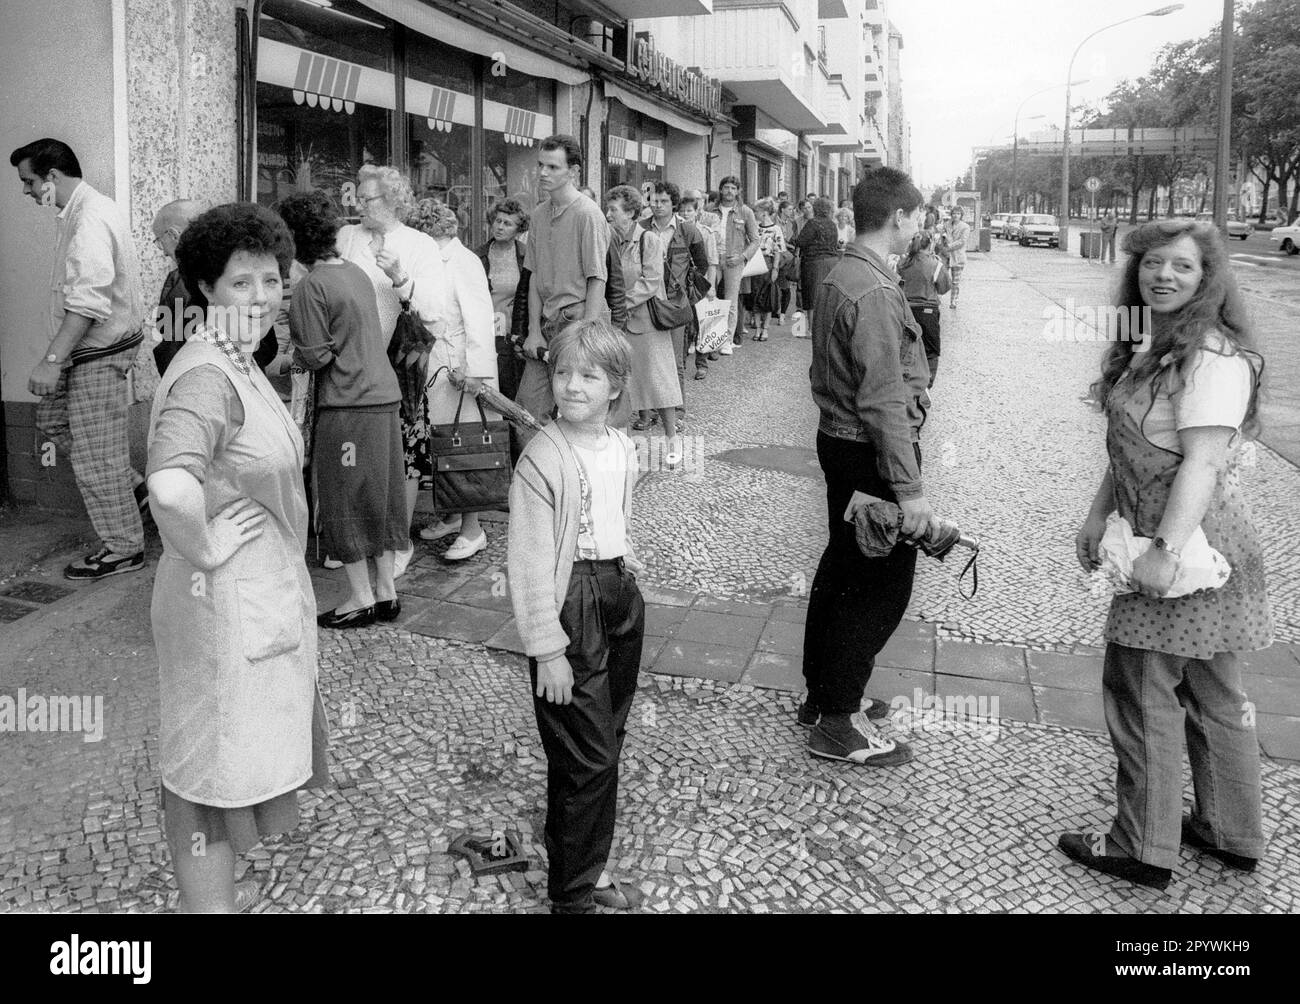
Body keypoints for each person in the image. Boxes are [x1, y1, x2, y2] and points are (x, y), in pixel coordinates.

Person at [1060, 220, 1271, 891]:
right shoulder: (1156, 345)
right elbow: (1129, 449)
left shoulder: (1212, 355)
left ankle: (1142, 846)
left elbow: (1202, 464)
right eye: (1154, 264)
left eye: (1181, 266)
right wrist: (1099, 513)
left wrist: (1163, 553)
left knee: (1142, 691)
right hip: (1183, 542)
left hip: (1187, 547)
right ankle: (1230, 831)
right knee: (1213, 692)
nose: (1164, 277)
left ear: (1208, 277)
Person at [149, 202, 328, 912]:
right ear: (202, 289)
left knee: (222, 770)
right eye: (239, 284)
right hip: (219, 606)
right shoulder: (206, 376)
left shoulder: (237, 358)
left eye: (270, 281)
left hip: (242, 601)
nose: (259, 298)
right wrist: (206, 543)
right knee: (205, 777)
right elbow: (168, 486)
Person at [508, 318, 646, 913]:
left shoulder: (621, 446)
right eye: (562, 372)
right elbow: (532, 562)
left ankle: (588, 864)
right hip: (572, 602)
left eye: (589, 375)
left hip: (617, 593)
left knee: (603, 742)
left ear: (616, 385)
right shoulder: (542, 459)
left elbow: (619, 511)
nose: (571, 386)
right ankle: (571, 896)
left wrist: (630, 571)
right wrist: (547, 649)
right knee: (585, 754)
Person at [801, 167, 933, 766]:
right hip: (869, 452)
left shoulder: (842, 272)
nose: (921, 226)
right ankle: (837, 722)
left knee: (841, 570)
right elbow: (883, 400)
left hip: (841, 442)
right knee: (878, 586)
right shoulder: (875, 290)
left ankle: (824, 694)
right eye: (918, 217)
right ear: (899, 218)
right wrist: (909, 491)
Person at [11, 138, 147, 579]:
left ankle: (124, 548)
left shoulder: (89, 218)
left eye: (29, 181)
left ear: (52, 176)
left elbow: (88, 304)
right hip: (91, 351)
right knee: (53, 423)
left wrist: (52, 360)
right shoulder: (79, 212)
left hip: (98, 353)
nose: (27, 191)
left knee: (95, 456)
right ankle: (133, 492)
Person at [278, 190, 408, 628]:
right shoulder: (354, 271)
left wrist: (293, 354)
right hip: (383, 398)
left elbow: (315, 357)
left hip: (347, 405)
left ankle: (359, 597)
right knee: (382, 497)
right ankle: (387, 593)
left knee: (342, 496)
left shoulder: (310, 287)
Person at [336, 165, 443, 578]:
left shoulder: (419, 245)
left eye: (369, 198)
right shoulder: (348, 238)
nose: (359, 204)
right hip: (352, 363)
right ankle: (360, 536)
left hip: (399, 366)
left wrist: (399, 276)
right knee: (356, 452)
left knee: (404, 454)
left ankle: (398, 540)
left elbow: (434, 313)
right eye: (358, 198)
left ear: (395, 200)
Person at [408, 199, 500, 561]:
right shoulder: (432, 261)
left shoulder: (463, 262)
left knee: (464, 449)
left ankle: (472, 529)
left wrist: (478, 372)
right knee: (440, 445)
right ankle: (450, 515)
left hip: (458, 367)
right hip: (435, 365)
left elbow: (479, 318)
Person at [516, 135, 610, 434]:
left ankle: (588, 475)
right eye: (541, 165)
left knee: (582, 410)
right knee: (527, 412)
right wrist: (533, 330)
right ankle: (542, 477)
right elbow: (532, 276)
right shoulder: (539, 214)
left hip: (579, 319)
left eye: (553, 167)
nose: (543, 173)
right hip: (546, 322)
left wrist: (587, 336)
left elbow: (598, 279)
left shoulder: (588, 214)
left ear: (573, 171)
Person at [606, 186, 681, 464]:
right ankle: (624, 442)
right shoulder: (611, 240)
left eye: (614, 209)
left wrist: (620, 304)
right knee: (625, 384)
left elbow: (651, 281)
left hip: (647, 323)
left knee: (659, 382)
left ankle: (672, 439)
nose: (609, 214)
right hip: (621, 324)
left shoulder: (648, 239)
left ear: (631, 213)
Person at [643, 181, 709, 426]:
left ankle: (677, 411)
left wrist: (688, 295)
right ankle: (648, 410)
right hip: (647, 303)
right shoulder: (641, 228)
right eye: (654, 201)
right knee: (648, 358)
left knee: (675, 361)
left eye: (663, 202)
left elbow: (702, 265)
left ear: (673, 204)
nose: (657, 206)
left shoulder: (688, 230)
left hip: (675, 304)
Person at [475, 199, 530, 403]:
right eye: (498, 221)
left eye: (508, 223)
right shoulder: (478, 255)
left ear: (519, 229)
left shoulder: (526, 255)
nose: (500, 227)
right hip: (486, 332)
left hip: (513, 333)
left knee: (512, 390)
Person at [150, 199, 207, 376]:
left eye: (160, 241)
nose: (164, 252)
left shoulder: (179, 281)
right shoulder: (231, 273)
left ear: (174, 235)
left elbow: (167, 338)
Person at [897, 231, 951, 386]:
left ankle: (906, 380)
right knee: (931, 349)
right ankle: (927, 382)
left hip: (906, 310)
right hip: (928, 312)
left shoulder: (902, 263)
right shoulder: (935, 264)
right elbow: (944, 287)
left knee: (905, 347)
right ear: (930, 245)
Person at [715, 175, 760, 350]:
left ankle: (727, 340)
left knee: (731, 301)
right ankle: (708, 337)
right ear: (720, 189)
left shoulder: (745, 211)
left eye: (733, 188)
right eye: (726, 187)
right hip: (714, 260)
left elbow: (756, 240)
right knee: (708, 297)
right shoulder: (711, 210)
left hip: (734, 260)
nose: (729, 191)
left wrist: (742, 257)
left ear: (738, 191)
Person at [680, 194, 719, 381]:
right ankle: (681, 363)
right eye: (683, 210)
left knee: (702, 323)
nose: (685, 213)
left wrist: (710, 287)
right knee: (684, 324)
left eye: (689, 210)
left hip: (700, 283)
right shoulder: (677, 230)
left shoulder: (705, 232)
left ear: (696, 212)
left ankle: (702, 364)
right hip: (681, 285)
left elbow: (711, 262)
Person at [790, 197, 840, 339]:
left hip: (814, 262)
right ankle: (825, 328)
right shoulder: (832, 224)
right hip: (832, 262)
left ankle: (812, 330)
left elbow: (800, 241)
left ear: (816, 209)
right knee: (826, 296)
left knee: (812, 296)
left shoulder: (813, 223)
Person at [749, 197, 787, 341]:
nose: (755, 214)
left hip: (768, 263)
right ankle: (757, 328)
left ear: (764, 212)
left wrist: (775, 268)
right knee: (755, 296)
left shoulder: (776, 229)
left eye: (757, 211)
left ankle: (765, 329)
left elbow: (778, 250)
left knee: (768, 297)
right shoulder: (755, 227)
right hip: (754, 263)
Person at [944, 207, 971, 309]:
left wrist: (949, 246)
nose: (956, 215)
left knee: (955, 281)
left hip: (957, 256)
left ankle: (953, 301)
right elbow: (941, 235)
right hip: (946, 255)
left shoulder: (965, 227)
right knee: (941, 277)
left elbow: (962, 241)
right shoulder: (946, 224)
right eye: (954, 213)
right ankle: (938, 298)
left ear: (961, 215)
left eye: (958, 213)